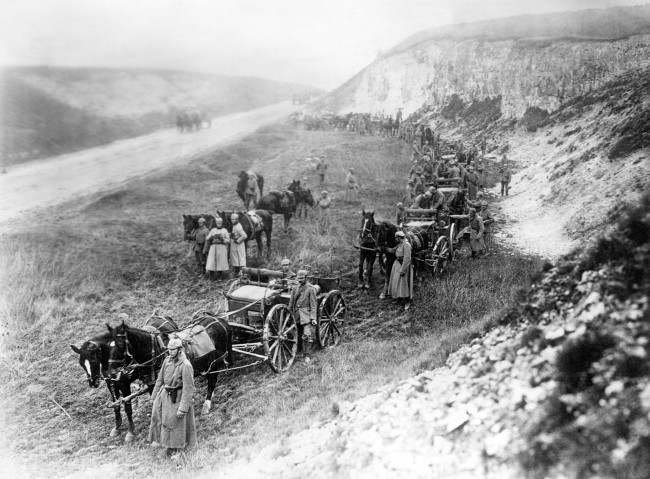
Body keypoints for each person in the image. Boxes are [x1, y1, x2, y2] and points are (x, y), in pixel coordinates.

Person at [148, 335, 197, 458]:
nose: (170, 352)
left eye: (173, 349)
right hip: (165, 395)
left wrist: (183, 407)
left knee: (176, 422)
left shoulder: (185, 365)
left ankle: (179, 449)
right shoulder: (167, 360)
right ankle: (168, 445)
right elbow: (160, 379)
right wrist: (154, 396)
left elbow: (188, 388)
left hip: (179, 396)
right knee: (162, 419)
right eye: (169, 349)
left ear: (179, 349)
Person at [288, 270, 318, 360]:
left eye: (302, 278)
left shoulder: (310, 288)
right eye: (298, 278)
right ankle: (298, 351)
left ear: (306, 278)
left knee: (307, 335)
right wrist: (289, 314)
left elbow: (313, 305)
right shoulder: (294, 288)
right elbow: (291, 303)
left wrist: (313, 318)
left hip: (306, 315)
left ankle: (307, 355)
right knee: (297, 334)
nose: (300, 280)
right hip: (296, 315)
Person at [388, 231, 412, 309]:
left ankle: (407, 301)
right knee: (396, 281)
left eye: (396, 237)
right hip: (397, 264)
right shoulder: (399, 244)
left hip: (403, 265)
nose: (395, 239)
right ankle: (398, 297)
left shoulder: (406, 245)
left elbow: (407, 258)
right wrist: (384, 248)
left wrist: (403, 270)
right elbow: (392, 250)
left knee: (404, 283)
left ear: (399, 237)